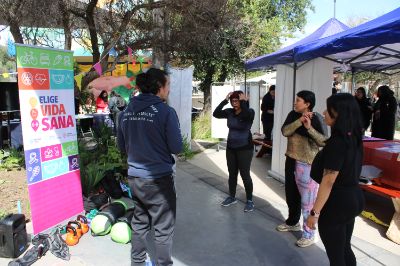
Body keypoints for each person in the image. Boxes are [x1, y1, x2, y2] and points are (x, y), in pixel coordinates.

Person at [117, 68, 183, 266]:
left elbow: (122, 146)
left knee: (140, 223)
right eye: (168, 85)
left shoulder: (126, 112)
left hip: (135, 178)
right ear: (159, 87)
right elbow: (176, 147)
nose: (169, 90)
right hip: (159, 180)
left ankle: (137, 262)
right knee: (163, 228)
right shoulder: (165, 112)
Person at [307, 93, 365, 266]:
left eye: (328, 110)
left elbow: (328, 181)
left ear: (339, 113)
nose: (324, 112)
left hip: (337, 203)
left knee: (336, 256)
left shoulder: (338, 143)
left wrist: (314, 213)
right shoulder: (353, 137)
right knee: (344, 248)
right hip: (353, 198)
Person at [277, 90, 326, 248]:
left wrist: (309, 127)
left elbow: (323, 142)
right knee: (291, 195)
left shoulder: (317, 118)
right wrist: (300, 120)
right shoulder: (293, 115)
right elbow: (285, 131)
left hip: (308, 165)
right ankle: (292, 222)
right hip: (291, 160)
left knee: (308, 202)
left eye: (298, 100)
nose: (295, 102)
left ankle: (309, 234)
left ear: (307, 104)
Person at [213, 91, 255, 212]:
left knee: (245, 175)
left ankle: (250, 200)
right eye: (233, 101)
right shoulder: (230, 112)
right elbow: (216, 113)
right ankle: (232, 197)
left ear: (242, 100)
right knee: (232, 174)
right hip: (231, 148)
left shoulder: (250, 111)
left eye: (237, 100)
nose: (234, 103)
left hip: (245, 148)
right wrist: (225, 100)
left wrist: (244, 102)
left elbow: (246, 116)